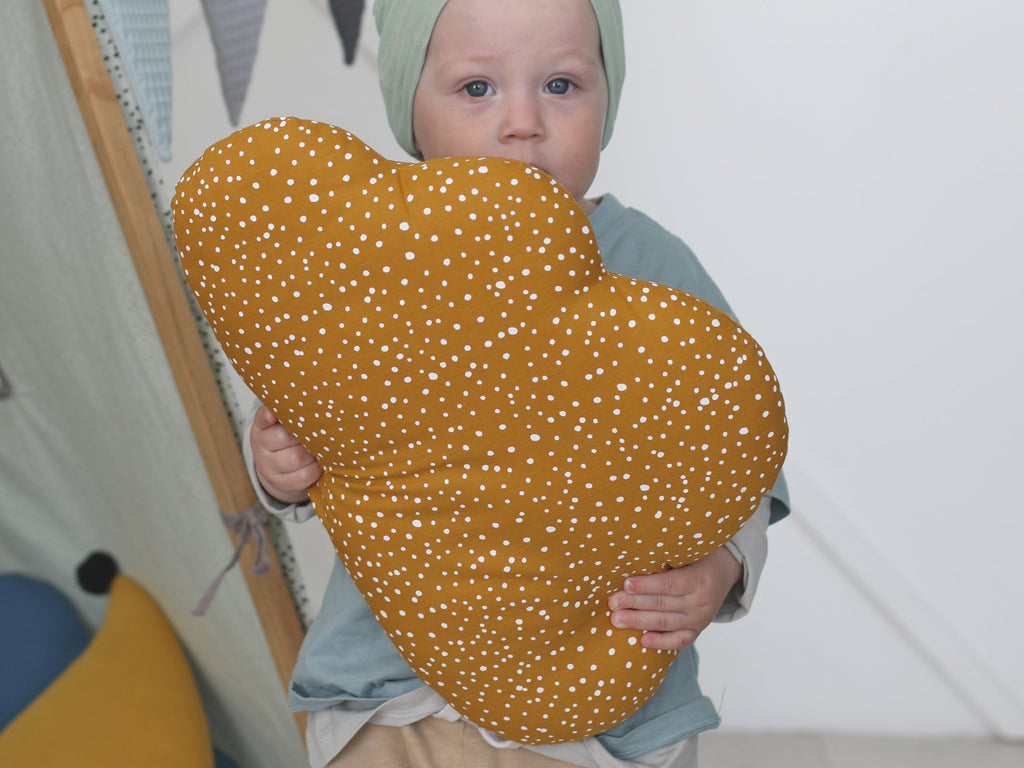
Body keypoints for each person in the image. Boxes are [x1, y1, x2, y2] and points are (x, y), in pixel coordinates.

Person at [245, 1, 789, 766]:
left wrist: (721, 566)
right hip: (388, 687)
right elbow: (316, 413)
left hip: (597, 708)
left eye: (562, 85)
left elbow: (740, 449)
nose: (523, 122)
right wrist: (280, 465)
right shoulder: (376, 260)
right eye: (477, 90)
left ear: (608, 98)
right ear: (413, 109)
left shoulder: (651, 272)